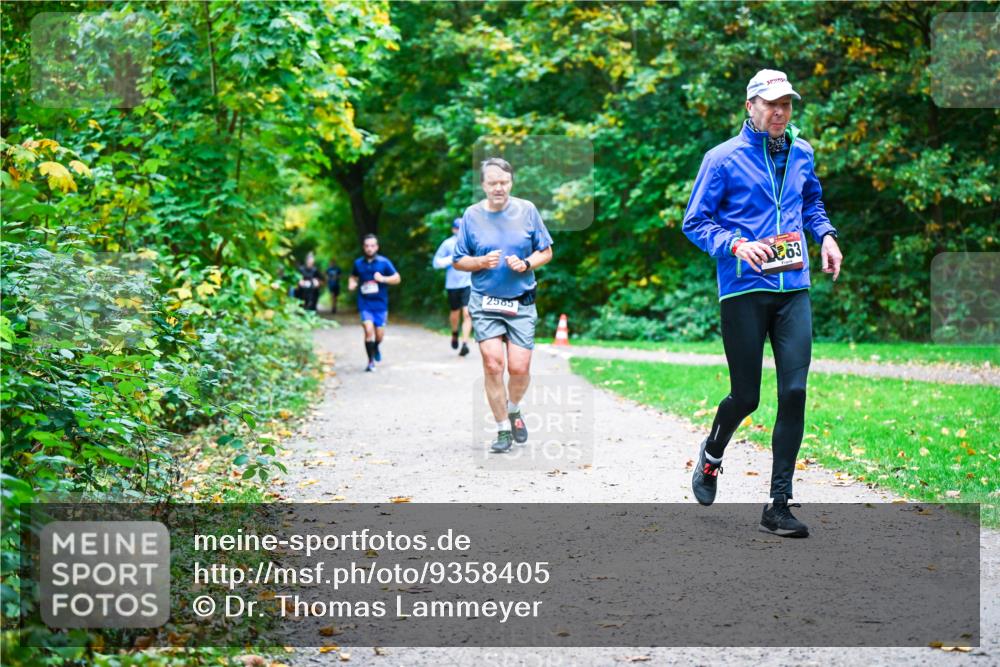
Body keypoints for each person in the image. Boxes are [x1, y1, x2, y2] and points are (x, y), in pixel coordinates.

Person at [682, 69, 843, 538]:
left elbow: (811, 203)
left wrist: (826, 235)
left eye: (786, 104)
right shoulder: (722, 159)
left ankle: (779, 503)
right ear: (750, 106)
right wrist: (734, 244)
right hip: (744, 289)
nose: (779, 112)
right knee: (747, 396)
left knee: (794, 392)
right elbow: (696, 222)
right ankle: (712, 455)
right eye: (770, 103)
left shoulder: (803, 152)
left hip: (793, 286)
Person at [452, 158, 553, 454]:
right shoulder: (471, 216)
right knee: (493, 364)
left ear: (511, 183)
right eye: (493, 182)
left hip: (521, 302)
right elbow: (459, 260)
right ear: (483, 185)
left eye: (504, 182)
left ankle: (514, 409)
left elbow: (546, 251)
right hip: (485, 302)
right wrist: (481, 262)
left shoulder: (527, 211)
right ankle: (502, 430)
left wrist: (525, 264)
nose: (499, 187)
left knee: (519, 368)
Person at [348, 235, 401, 372]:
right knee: (368, 330)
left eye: (372, 246)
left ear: (376, 247)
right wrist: (352, 284)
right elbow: (353, 277)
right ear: (364, 247)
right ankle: (370, 361)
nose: (369, 248)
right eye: (367, 246)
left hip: (380, 303)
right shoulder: (358, 263)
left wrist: (383, 279)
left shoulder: (384, 262)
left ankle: (376, 346)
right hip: (365, 302)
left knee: (379, 335)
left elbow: (397, 278)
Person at [432, 218, 473, 356]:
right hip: (453, 285)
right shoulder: (447, 244)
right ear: (454, 229)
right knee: (455, 313)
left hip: (468, 283)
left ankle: (465, 343)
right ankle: (455, 332)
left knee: (467, 313)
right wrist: (451, 259)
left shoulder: (471, 243)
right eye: (458, 228)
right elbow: (436, 263)